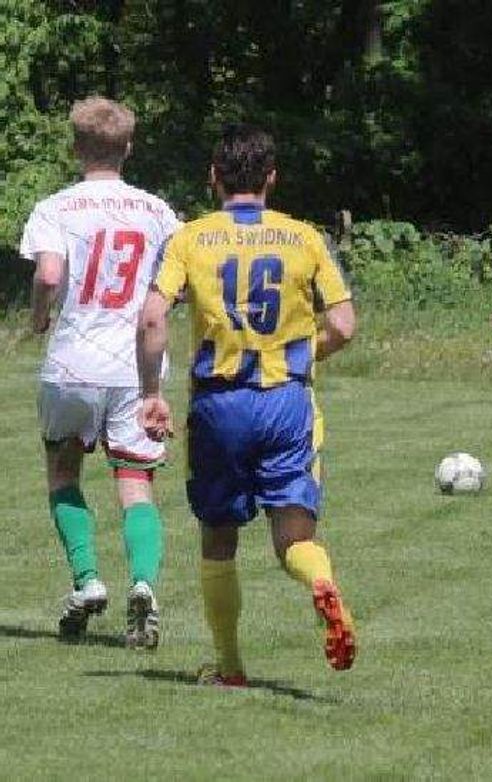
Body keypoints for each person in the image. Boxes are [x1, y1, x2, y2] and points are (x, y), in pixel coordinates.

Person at [136, 123, 357, 686]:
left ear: (213, 178)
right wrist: (302, 357)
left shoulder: (188, 238)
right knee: (294, 539)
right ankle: (320, 583)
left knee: (218, 537)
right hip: (287, 402)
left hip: (219, 405)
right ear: (271, 179)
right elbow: (344, 324)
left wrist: (151, 394)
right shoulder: (304, 236)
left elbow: (153, 316)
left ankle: (231, 665)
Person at [19, 96, 180, 647]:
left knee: (64, 473)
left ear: (75, 147)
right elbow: (172, 287)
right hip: (138, 363)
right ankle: (143, 582)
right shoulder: (158, 212)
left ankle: (87, 581)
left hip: (74, 362)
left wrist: (40, 316)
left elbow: (47, 274)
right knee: (135, 481)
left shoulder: (56, 207)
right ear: (128, 148)